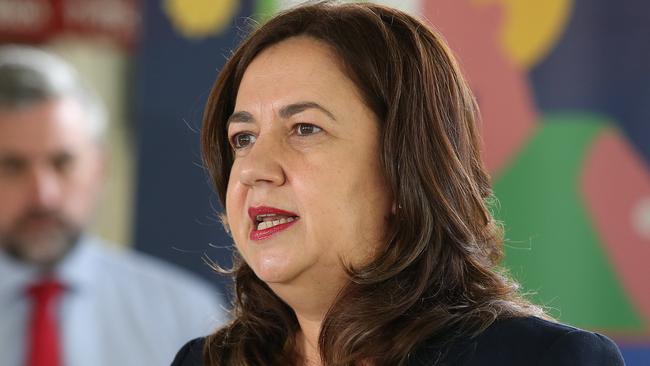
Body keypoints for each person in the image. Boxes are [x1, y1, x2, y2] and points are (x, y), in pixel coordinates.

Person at [172, 2, 625, 365]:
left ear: (406, 167)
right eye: (243, 138)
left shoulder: (545, 360)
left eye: (305, 128)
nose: (254, 169)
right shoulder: (203, 361)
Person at [0, 45, 226, 366]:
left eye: (63, 162)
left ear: (99, 167)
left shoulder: (187, 318)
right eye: (12, 166)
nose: (43, 196)